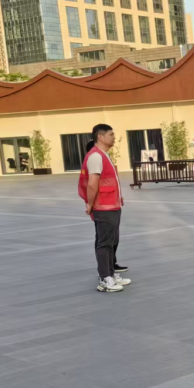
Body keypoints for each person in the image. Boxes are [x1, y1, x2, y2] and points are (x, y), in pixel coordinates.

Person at [79, 124, 130, 293]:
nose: (114, 137)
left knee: (111, 241)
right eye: (111, 134)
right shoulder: (95, 156)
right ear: (100, 137)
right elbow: (92, 184)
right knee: (104, 243)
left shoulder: (103, 155)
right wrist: (90, 204)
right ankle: (104, 279)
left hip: (112, 205)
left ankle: (110, 273)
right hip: (104, 207)